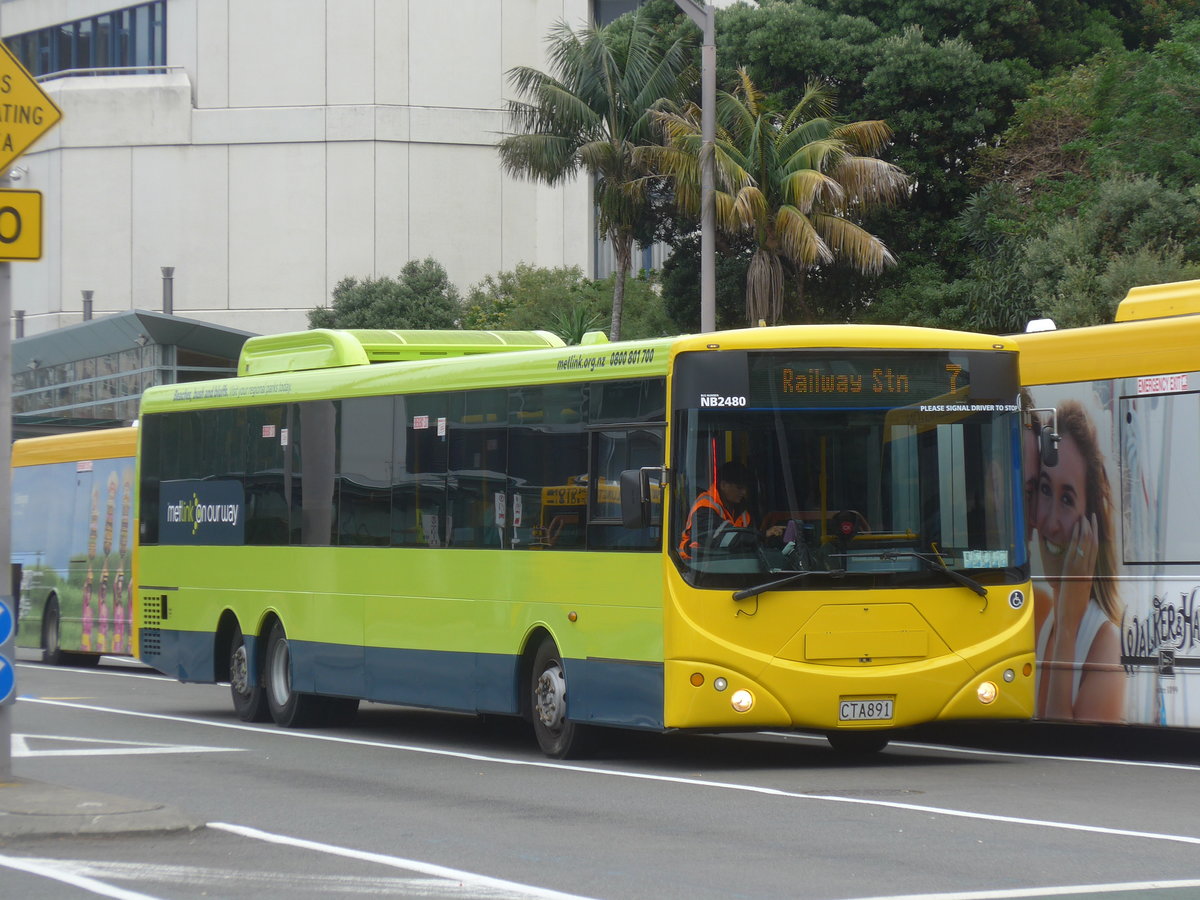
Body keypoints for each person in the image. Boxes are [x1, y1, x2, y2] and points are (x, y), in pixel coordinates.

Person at [1033, 399, 1125, 722]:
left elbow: (1066, 756)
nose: (1051, 521)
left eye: (1068, 499)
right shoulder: (1041, 615)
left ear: (1091, 525)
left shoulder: (1104, 645)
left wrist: (1069, 630)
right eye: (1045, 489)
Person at [678, 460, 783, 560]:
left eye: (745, 488)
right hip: (696, 567)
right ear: (723, 485)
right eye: (739, 488)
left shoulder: (743, 512)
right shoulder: (704, 506)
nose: (744, 492)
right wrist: (762, 536)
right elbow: (719, 537)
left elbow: (748, 541)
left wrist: (769, 537)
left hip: (728, 565)